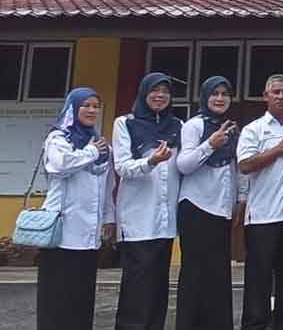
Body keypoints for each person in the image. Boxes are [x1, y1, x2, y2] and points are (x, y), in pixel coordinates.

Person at [36, 87, 115, 330]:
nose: (92, 110)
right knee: (56, 300)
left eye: (95, 106)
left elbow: (107, 188)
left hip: (88, 236)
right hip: (61, 234)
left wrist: (109, 219)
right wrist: (91, 151)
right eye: (86, 105)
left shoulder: (103, 147)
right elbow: (61, 164)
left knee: (81, 298)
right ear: (73, 108)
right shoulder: (58, 139)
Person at [112, 72, 183, 330]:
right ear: (144, 93)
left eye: (165, 91)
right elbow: (122, 166)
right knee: (136, 284)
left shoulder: (177, 126)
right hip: (137, 217)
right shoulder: (126, 124)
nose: (160, 95)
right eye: (154, 90)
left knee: (158, 284)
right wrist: (151, 161)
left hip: (165, 219)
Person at [237, 74, 283, 330]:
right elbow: (245, 165)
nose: (280, 97)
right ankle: (256, 325)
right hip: (263, 216)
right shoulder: (253, 129)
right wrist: (280, 148)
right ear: (266, 96)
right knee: (259, 278)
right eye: (275, 92)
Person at [176, 76, 240, 330]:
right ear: (204, 96)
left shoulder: (231, 128)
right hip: (196, 206)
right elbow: (184, 164)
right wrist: (210, 145)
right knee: (194, 273)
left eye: (225, 94)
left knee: (218, 274)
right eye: (215, 93)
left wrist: (239, 200)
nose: (220, 98)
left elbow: (235, 169)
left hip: (221, 209)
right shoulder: (194, 125)